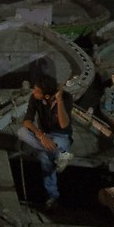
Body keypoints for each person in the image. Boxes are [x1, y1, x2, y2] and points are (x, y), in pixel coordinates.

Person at [16, 69, 72, 204]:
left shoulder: (66, 98)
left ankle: (52, 196)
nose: (33, 92)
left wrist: (59, 101)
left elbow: (64, 124)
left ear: (46, 96)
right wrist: (41, 136)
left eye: (37, 91)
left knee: (44, 156)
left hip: (61, 136)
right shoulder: (34, 98)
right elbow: (27, 121)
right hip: (44, 135)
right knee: (21, 132)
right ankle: (60, 155)